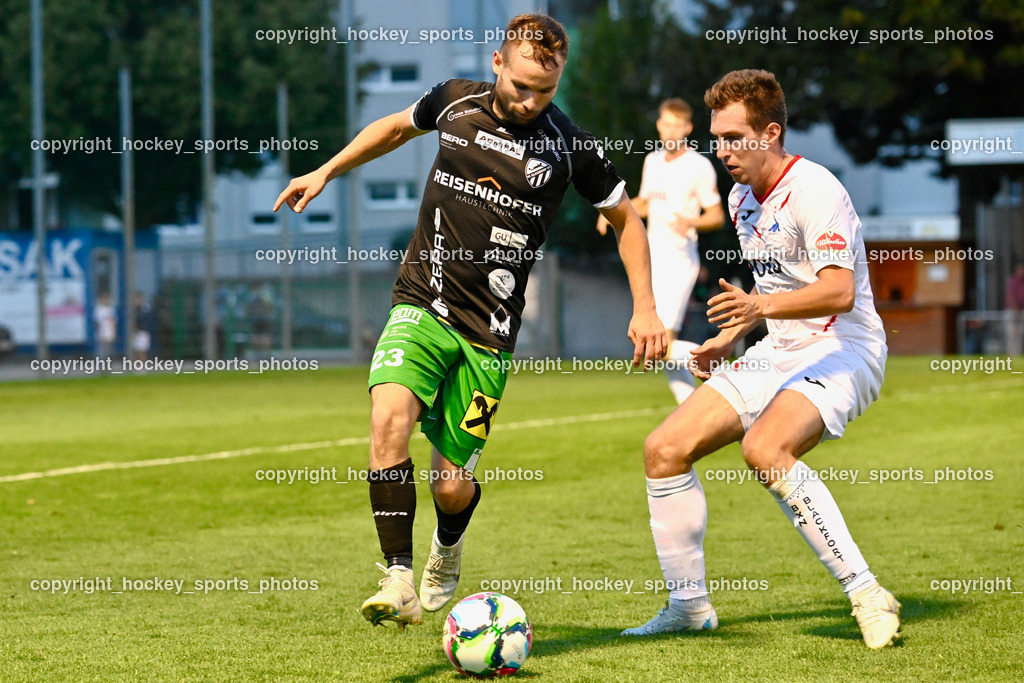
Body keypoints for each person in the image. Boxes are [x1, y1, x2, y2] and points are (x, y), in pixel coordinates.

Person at [274, 14, 665, 628]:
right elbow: (395, 128)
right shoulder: (454, 102)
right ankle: (397, 575)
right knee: (387, 419)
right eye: (522, 86)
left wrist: (645, 306)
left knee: (451, 487)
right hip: (421, 305)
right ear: (497, 64)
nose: (532, 101)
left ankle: (446, 548)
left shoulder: (569, 147)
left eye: (546, 91)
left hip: (489, 338)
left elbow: (628, 220)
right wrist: (326, 170)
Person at [621, 69, 901, 649]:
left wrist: (758, 308)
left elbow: (837, 291)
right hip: (781, 346)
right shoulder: (742, 196)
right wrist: (730, 336)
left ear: (771, 133)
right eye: (716, 139)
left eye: (733, 138)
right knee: (664, 450)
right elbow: (770, 289)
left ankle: (867, 593)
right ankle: (689, 607)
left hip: (845, 347)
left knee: (764, 448)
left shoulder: (817, 189)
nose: (722, 151)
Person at [597, 98, 724, 402]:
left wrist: (692, 221)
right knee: (660, 348)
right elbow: (643, 203)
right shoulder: (652, 161)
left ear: (688, 129)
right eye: (665, 124)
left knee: (659, 345)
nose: (670, 131)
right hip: (651, 261)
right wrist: (610, 213)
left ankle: (727, 367)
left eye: (676, 125)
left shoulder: (699, 166)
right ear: (659, 125)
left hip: (680, 261)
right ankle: (690, 412)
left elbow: (717, 216)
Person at [1005, 262, 1024, 355]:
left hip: (1022, 310)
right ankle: (1012, 354)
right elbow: (1010, 296)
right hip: (1012, 311)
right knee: (1011, 333)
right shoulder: (1012, 281)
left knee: (1020, 333)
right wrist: (1015, 308)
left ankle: (1019, 353)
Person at [93, 292, 117, 361]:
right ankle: (101, 366)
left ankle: (108, 366)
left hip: (110, 332)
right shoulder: (98, 310)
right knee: (102, 351)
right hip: (102, 333)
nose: (106, 300)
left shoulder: (111, 310)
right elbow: (97, 323)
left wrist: (114, 332)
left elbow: (114, 322)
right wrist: (100, 334)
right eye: (104, 298)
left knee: (110, 351)